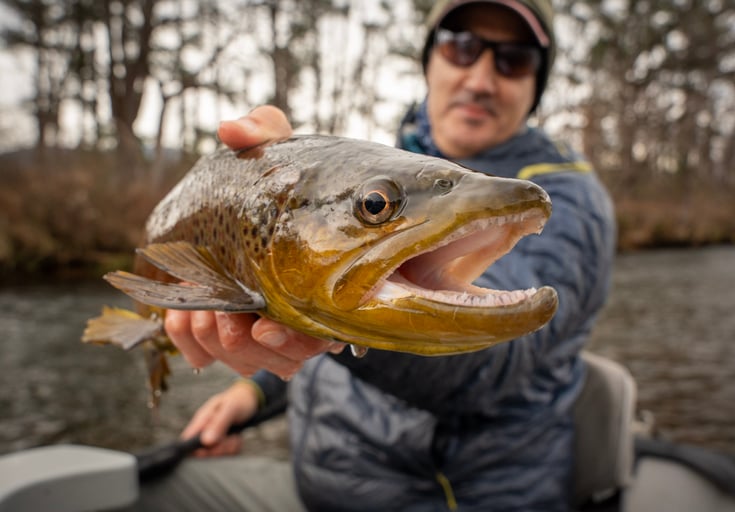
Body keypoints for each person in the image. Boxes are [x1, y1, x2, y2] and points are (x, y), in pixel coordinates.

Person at [133, 0, 616, 510]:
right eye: (461, 46)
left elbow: (489, 366)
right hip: (318, 484)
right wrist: (255, 392)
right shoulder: (369, 161)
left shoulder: (571, 197)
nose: (480, 78)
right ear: (430, 61)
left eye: (512, 59)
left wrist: (314, 322)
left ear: (536, 85)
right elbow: (323, 314)